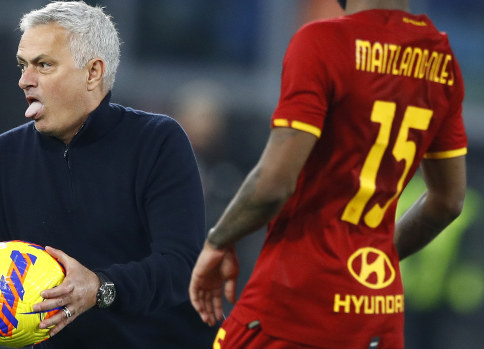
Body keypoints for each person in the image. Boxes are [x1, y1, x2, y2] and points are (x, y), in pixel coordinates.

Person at [189, 0, 468, 348]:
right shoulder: (441, 60)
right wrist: (368, 261)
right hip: (377, 316)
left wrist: (218, 241)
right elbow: (448, 201)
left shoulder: (323, 42)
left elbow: (273, 185)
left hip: (291, 308)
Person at [0, 1, 216, 348]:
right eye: (22, 66)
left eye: (43, 65)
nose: (24, 81)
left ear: (92, 73)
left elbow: (181, 269)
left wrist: (100, 288)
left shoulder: (157, 141)